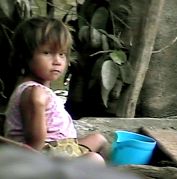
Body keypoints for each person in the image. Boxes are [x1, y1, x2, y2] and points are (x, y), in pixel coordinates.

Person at [4, 17, 107, 164]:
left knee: (99, 139)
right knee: (94, 160)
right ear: (25, 56)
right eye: (47, 53)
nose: (57, 61)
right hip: (43, 160)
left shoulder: (34, 89)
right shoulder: (35, 94)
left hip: (61, 149)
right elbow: (34, 148)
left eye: (62, 54)